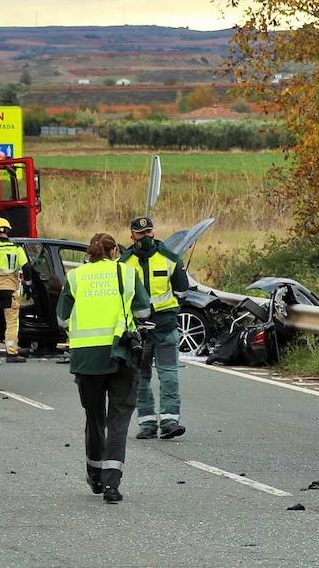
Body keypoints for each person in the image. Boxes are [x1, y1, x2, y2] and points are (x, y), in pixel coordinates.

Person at [56, 232, 151, 503]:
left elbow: (62, 319)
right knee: (118, 420)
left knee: (94, 419)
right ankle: (111, 485)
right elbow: (144, 312)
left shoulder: (75, 277)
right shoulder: (127, 273)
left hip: (86, 359)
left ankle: (95, 476)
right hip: (121, 353)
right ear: (113, 252)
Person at [121, 215, 191, 440]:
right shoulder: (124, 262)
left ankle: (170, 421)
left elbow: (181, 292)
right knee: (141, 377)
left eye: (148, 232)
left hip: (164, 326)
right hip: (138, 330)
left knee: (169, 374)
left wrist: (168, 312)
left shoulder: (170, 258)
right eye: (140, 234)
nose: (145, 237)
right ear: (132, 235)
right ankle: (147, 423)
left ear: (154, 232)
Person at [0, 217, 27, 363]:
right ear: (7, 230)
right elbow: (27, 268)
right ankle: (12, 353)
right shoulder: (16, 248)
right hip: (9, 290)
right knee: (11, 322)